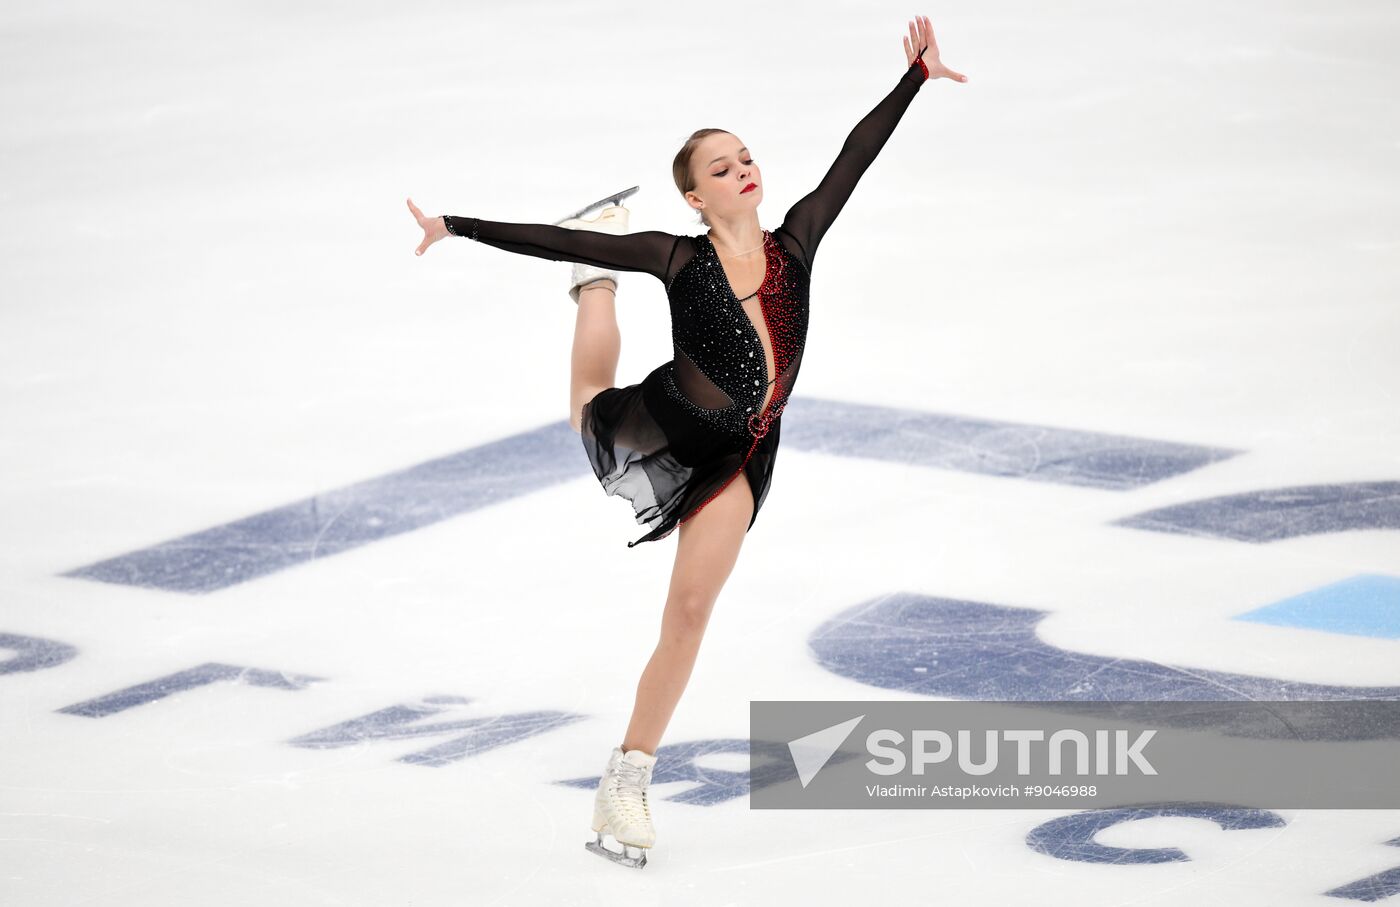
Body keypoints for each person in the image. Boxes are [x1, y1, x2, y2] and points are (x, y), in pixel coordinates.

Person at [407, 16, 966, 868]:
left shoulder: (797, 243)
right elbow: (559, 236)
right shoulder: (676, 257)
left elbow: (854, 157)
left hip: (744, 450)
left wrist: (913, 80)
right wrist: (457, 223)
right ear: (696, 198)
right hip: (674, 419)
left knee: (692, 609)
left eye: (745, 157)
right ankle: (593, 294)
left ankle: (626, 779)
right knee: (588, 402)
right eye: (721, 167)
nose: (742, 169)